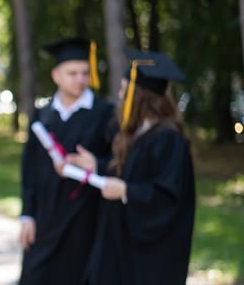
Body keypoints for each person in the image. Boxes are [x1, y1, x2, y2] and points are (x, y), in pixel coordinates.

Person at [68, 50, 194, 284]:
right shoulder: (136, 132)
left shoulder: (168, 140)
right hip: (119, 243)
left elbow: (168, 198)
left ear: (141, 97)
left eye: (125, 90)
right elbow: (128, 174)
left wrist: (126, 192)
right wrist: (98, 165)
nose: (119, 94)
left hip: (147, 258)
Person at [18, 37, 115, 284]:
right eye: (72, 73)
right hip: (46, 218)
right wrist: (27, 215)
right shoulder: (42, 115)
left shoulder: (104, 113)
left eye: (84, 73)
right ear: (56, 75)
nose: (80, 79)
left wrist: (97, 164)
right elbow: (29, 169)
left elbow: (119, 162)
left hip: (85, 220)